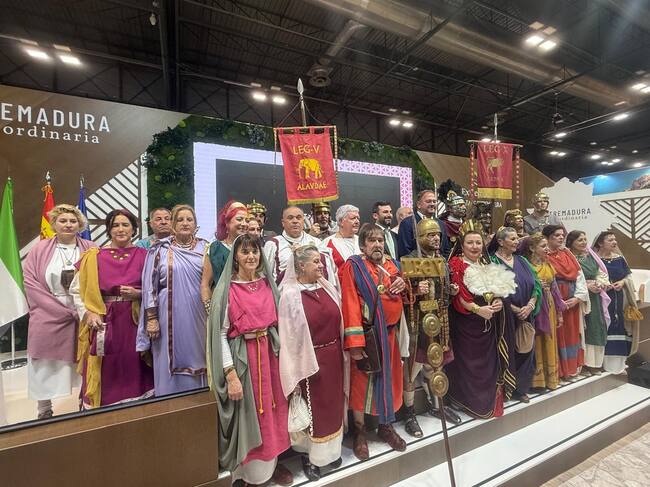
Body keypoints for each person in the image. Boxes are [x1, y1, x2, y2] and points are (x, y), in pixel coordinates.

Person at [207, 235, 293, 487]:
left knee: (274, 413)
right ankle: (248, 474)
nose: (251, 256)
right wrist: (231, 374)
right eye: (245, 252)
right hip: (244, 361)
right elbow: (220, 334)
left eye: (254, 251)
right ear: (235, 256)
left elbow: (280, 325)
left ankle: (271, 466)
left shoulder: (267, 284)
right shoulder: (227, 289)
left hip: (270, 358)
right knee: (249, 416)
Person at [70, 209, 154, 408]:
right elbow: (76, 290)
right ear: (109, 229)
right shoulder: (93, 257)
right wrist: (89, 313)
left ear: (133, 229)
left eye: (125, 225)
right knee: (106, 367)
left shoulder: (146, 255)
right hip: (104, 321)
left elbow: (157, 289)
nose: (120, 229)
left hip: (135, 321)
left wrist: (139, 294)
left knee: (135, 367)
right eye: (115, 225)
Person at [278, 245, 348, 481]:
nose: (321, 266)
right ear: (301, 265)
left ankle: (331, 453)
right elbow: (288, 336)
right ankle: (310, 457)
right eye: (316, 262)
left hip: (333, 357)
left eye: (320, 261)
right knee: (314, 410)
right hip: (309, 361)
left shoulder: (326, 287)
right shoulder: (289, 294)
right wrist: (294, 370)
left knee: (333, 407)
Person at [341, 223, 409, 461]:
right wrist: (355, 343)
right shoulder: (354, 266)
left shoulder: (393, 266)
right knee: (362, 384)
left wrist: (403, 285)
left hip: (390, 336)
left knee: (390, 381)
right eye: (372, 241)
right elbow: (349, 302)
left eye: (380, 240)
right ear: (362, 245)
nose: (377, 244)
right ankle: (359, 431)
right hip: (368, 337)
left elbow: (406, 297)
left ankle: (385, 426)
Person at [23, 204, 96, 419]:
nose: (68, 225)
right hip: (48, 312)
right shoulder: (39, 249)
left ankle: (87, 402)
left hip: (83, 310)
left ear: (80, 225)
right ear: (54, 224)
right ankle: (44, 409)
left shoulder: (91, 248)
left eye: (73, 221)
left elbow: (98, 278)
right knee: (45, 363)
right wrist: (60, 310)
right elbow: (31, 283)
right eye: (63, 221)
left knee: (85, 361)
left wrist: (81, 310)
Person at [137, 205, 209, 396]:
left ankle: (200, 401)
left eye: (189, 219)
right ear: (173, 225)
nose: (185, 223)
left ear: (196, 224)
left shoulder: (206, 248)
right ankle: (168, 400)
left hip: (199, 315)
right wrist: (151, 318)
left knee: (202, 357)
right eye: (180, 219)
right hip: (167, 317)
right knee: (167, 359)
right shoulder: (160, 250)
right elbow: (149, 286)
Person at [445, 221, 514, 418]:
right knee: (468, 364)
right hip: (466, 323)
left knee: (488, 363)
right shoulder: (455, 264)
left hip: (487, 322)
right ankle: (467, 401)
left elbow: (496, 289)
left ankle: (487, 401)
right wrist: (477, 310)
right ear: (462, 245)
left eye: (478, 242)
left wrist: (498, 301)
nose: (475, 246)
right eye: (470, 243)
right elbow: (458, 296)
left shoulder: (486, 264)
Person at [401, 218, 461, 437]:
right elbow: (401, 293)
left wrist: (450, 290)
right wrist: (416, 290)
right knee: (411, 370)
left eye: (438, 234)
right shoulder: (409, 261)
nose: (436, 238)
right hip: (417, 322)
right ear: (419, 238)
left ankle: (437, 406)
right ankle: (409, 413)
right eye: (430, 235)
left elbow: (443, 293)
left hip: (439, 320)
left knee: (436, 365)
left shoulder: (442, 261)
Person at [488, 227, 542, 403]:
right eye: (512, 239)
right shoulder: (492, 262)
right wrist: (513, 308)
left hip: (527, 314)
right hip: (504, 317)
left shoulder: (523, 261)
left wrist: (530, 305)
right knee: (506, 351)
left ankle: (521, 389)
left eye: (517, 238)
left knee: (526, 351)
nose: (516, 241)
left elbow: (536, 285)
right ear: (500, 241)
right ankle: (505, 389)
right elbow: (491, 290)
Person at [520, 234, 566, 391]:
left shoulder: (548, 264)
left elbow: (555, 289)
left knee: (549, 339)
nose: (547, 249)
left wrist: (559, 313)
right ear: (532, 248)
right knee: (537, 341)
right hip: (536, 307)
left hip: (550, 306)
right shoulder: (525, 265)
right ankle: (536, 381)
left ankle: (550, 378)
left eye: (547, 246)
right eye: (543, 246)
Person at [543, 225, 589, 381]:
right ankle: (559, 372)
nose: (561, 237)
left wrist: (577, 298)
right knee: (557, 336)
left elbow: (579, 275)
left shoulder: (567, 253)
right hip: (554, 302)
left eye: (562, 235)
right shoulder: (543, 255)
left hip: (572, 303)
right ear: (547, 238)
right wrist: (558, 301)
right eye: (556, 235)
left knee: (572, 335)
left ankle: (570, 369)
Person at [593, 231, 642, 373]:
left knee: (619, 327)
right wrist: (602, 285)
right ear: (600, 243)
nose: (614, 242)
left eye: (615, 239)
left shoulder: (619, 259)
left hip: (620, 299)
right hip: (601, 299)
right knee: (604, 327)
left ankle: (619, 366)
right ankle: (601, 364)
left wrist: (622, 282)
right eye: (610, 240)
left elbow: (628, 277)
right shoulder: (594, 260)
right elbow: (590, 276)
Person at [567, 230, 611, 376]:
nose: (584, 242)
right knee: (583, 330)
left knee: (596, 328)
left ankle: (595, 363)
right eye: (580, 240)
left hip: (595, 298)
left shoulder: (590, 255)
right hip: (579, 299)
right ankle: (583, 364)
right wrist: (586, 286)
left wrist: (599, 283)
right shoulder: (569, 257)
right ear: (571, 242)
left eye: (585, 239)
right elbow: (568, 279)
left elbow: (600, 273)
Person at [265, 206, 337, 287]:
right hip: (285, 292)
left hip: (315, 291)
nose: (295, 221)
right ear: (283, 222)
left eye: (298, 218)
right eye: (290, 218)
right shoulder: (273, 244)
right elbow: (266, 276)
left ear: (303, 221)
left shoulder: (317, 242)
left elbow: (329, 273)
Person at [201, 200, 248, 303]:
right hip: (222, 305)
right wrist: (210, 308)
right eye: (239, 219)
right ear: (227, 223)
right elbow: (205, 284)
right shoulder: (215, 248)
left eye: (247, 220)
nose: (244, 224)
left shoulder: (252, 249)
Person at [397, 190, 449, 258]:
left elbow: (445, 250)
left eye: (434, 201)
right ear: (418, 204)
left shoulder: (441, 224)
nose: (432, 204)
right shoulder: (407, 223)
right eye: (428, 201)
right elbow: (404, 251)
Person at [321, 204, 361, 275]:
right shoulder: (327, 244)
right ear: (341, 221)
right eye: (353, 218)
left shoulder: (362, 241)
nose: (357, 221)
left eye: (358, 218)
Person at [438, 179, 467, 246]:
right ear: (449, 208)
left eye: (464, 205)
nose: (464, 208)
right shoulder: (442, 225)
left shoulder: (466, 224)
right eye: (460, 205)